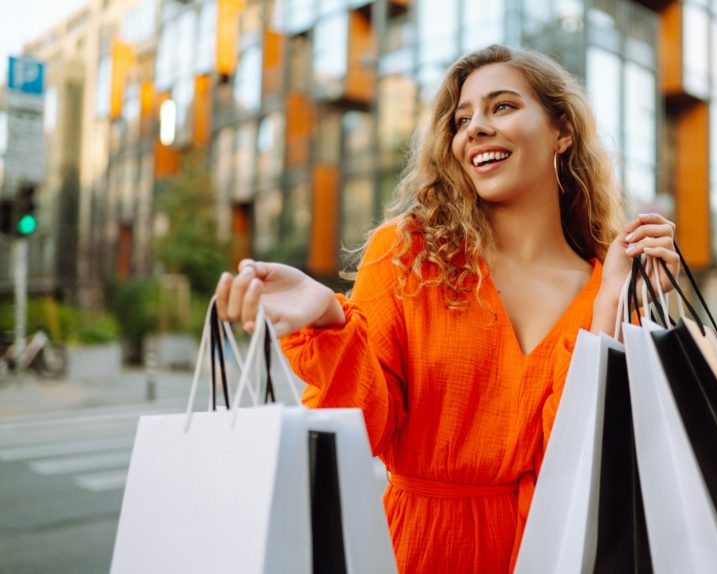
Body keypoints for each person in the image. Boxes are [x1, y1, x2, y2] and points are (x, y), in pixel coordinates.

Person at [215, 44, 679, 574]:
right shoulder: (409, 254)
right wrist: (329, 321)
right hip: (417, 551)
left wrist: (613, 310)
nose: (475, 128)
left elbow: (593, 460)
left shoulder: (608, 288)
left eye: (502, 106)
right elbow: (362, 430)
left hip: (557, 553)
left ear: (562, 131)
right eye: (462, 119)